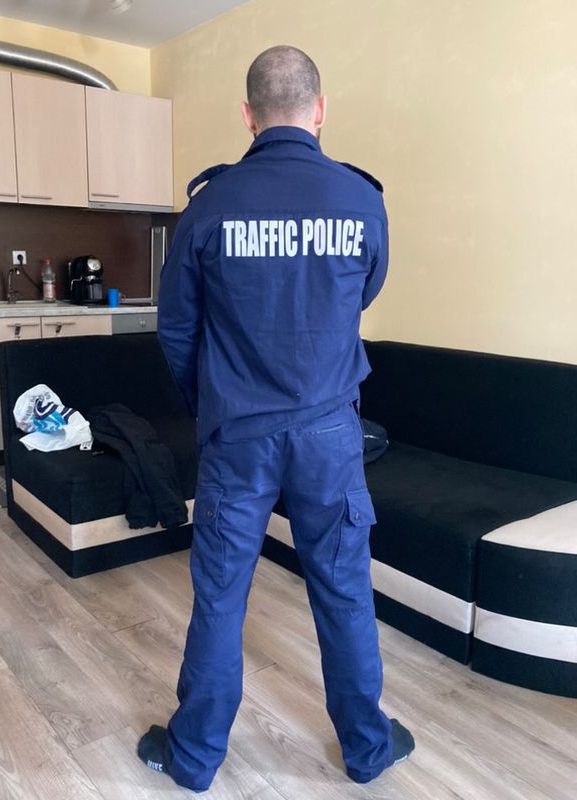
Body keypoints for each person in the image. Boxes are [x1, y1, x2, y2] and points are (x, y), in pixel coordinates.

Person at [138, 45, 414, 792]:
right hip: (330, 433)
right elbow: (362, 293)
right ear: (319, 111)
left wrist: (212, 404)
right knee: (344, 590)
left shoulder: (209, 206)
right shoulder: (361, 200)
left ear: (248, 115)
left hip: (238, 433)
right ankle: (367, 749)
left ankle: (193, 758)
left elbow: (176, 330)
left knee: (221, 596)